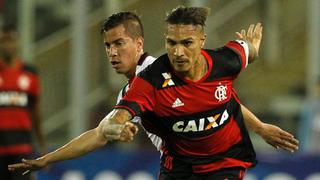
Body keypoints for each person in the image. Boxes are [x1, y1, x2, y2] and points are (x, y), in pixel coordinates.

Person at [8, 8, 299, 179]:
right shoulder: (138, 87)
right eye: (108, 46)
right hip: (178, 169)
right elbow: (102, 131)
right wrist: (113, 129)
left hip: (221, 163)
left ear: (139, 42)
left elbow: (220, 94)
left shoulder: (158, 74)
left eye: (119, 44)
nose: (112, 52)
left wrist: (259, 126)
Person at [0, 24, 46, 180]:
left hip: (22, 146)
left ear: (17, 42)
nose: (7, 45)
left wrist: (41, 146)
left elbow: (36, 112)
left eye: (10, 40)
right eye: (3, 40)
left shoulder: (30, 73)